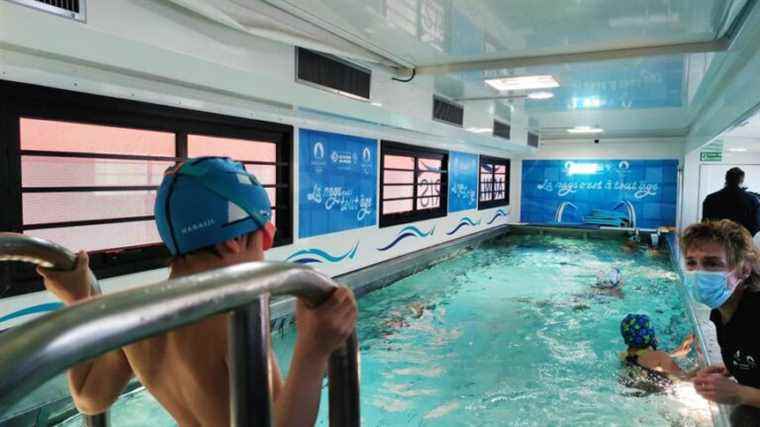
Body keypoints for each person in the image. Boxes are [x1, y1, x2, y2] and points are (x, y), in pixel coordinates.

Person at [37, 157, 358, 427]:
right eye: (265, 238)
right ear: (233, 239)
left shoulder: (136, 316)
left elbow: (88, 398)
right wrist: (313, 349)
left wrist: (78, 301)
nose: (264, 254)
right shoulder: (235, 315)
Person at [681, 220, 760, 417]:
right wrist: (734, 366)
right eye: (691, 263)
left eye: (712, 263)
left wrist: (741, 394)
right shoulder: (721, 311)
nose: (698, 273)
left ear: (744, 269)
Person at [618, 313, 695, 392]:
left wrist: (672, 354)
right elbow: (686, 378)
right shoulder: (660, 357)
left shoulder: (624, 356)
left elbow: (646, 360)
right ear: (651, 334)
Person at [702, 167, 760, 236]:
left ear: (726, 179)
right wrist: (745, 236)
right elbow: (756, 224)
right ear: (742, 180)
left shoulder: (710, 198)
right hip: (741, 240)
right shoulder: (752, 200)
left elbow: (706, 222)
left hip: (718, 239)